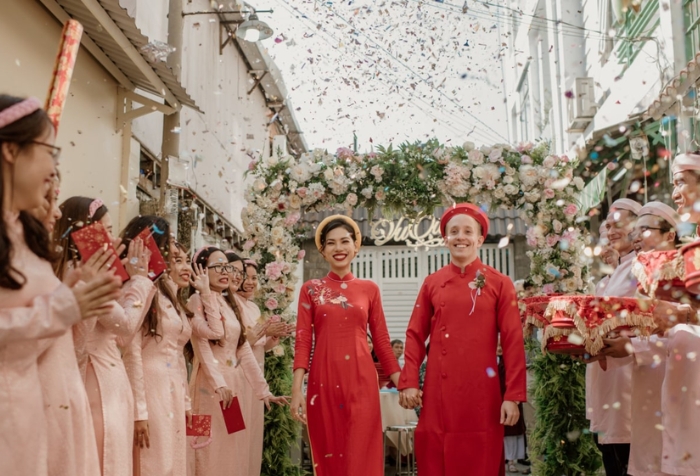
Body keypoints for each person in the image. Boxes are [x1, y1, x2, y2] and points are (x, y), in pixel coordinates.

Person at [0, 94, 121, 476]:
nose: (54, 170)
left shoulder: (21, 235)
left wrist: (71, 293)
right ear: (10, 150)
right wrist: (65, 307)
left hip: (34, 410)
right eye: (50, 152)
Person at [398, 203, 527, 476]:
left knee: (481, 455)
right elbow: (415, 334)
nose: (460, 237)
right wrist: (408, 381)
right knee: (435, 452)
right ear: (445, 238)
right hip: (437, 392)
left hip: (483, 391)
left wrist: (513, 396)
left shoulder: (500, 283)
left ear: (480, 238)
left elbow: (514, 340)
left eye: (468, 231)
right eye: (453, 231)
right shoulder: (432, 283)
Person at [291, 215, 401, 476]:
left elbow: (383, 343)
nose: (338, 248)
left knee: (361, 453)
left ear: (355, 246)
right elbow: (303, 340)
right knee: (329, 455)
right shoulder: (311, 289)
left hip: (362, 382)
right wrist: (297, 390)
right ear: (323, 250)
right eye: (331, 243)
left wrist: (403, 382)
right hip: (323, 382)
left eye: (344, 242)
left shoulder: (369, 289)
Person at [53, 201, 157, 476]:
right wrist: (139, 280)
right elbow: (126, 326)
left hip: (102, 378)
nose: (113, 239)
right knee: (105, 461)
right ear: (86, 233)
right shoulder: (84, 277)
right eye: (108, 230)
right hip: (96, 381)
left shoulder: (66, 269)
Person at [188, 247, 286, 476]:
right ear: (201, 270)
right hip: (208, 388)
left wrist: (264, 391)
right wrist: (219, 384)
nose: (226, 272)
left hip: (234, 387)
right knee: (207, 449)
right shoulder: (195, 301)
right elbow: (207, 343)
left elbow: (242, 349)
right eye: (218, 267)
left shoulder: (227, 302)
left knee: (233, 450)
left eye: (227, 267)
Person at [599, 201, 679, 476]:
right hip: (639, 386)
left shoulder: (681, 277)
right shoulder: (641, 272)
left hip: (669, 384)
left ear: (670, 235)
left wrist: (633, 346)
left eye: (643, 230)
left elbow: (683, 336)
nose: (636, 239)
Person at [122, 226, 195, 476]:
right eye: (175, 258)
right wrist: (139, 411)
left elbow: (176, 357)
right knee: (155, 462)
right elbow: (133, 352)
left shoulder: (172, 298)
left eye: (187, 260)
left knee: (174, 461)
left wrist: (186, 402)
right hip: (152, 387)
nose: (185, 267)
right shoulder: (146, 293)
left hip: (173, 387)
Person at [584, 198, 641, 476]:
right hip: (608, 376)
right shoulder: (616, 273)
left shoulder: (642, 266)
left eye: (619, 224)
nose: (611, 231)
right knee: (612, 455)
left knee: (628, 456)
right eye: (608, 225)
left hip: (630, 376)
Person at [226, 253, 291, 476]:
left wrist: (274, 338)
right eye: (247, 276)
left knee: (252, 435)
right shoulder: (230, 304)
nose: (252, 282)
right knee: (235, 435)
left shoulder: (253, 307)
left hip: (255, 379)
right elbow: (238, 344)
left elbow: (258, 347)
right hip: (237, 376)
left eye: (255, 277)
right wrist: (264, 331)